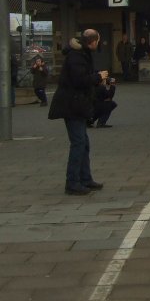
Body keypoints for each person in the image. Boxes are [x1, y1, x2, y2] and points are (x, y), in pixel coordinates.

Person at [47, 29, 108, 195]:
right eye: (98, 41)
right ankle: (72, 182)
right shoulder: (77, 56)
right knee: (79, 143)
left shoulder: (81, 54)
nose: (99, 44)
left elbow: (82, 76)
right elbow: (79, 80)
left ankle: (85, 178)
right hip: (71, 105)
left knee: (83, 143)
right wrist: (97, 77)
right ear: (93, 42)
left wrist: (96, 77)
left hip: (77, 104)